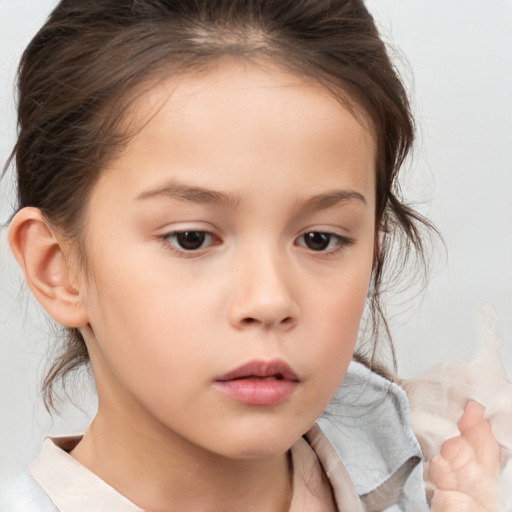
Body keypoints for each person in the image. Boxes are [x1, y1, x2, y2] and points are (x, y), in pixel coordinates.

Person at [0, 0, 501, 510]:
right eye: (191, 238)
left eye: (320, 239)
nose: (269, 300)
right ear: (57, 268)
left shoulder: (446, 463)